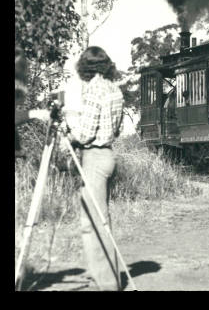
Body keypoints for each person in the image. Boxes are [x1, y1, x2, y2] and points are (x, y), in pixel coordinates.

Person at [64, 46, 124, 291]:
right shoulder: (114, 89)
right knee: (102, 218)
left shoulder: (94, 90)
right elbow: (116, 129)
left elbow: (86, 133)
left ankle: (106, 283)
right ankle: (103, 276)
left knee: (92, 223)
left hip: (94, 157)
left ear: (84, 67)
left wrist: (70, 133)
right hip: (108, 155)